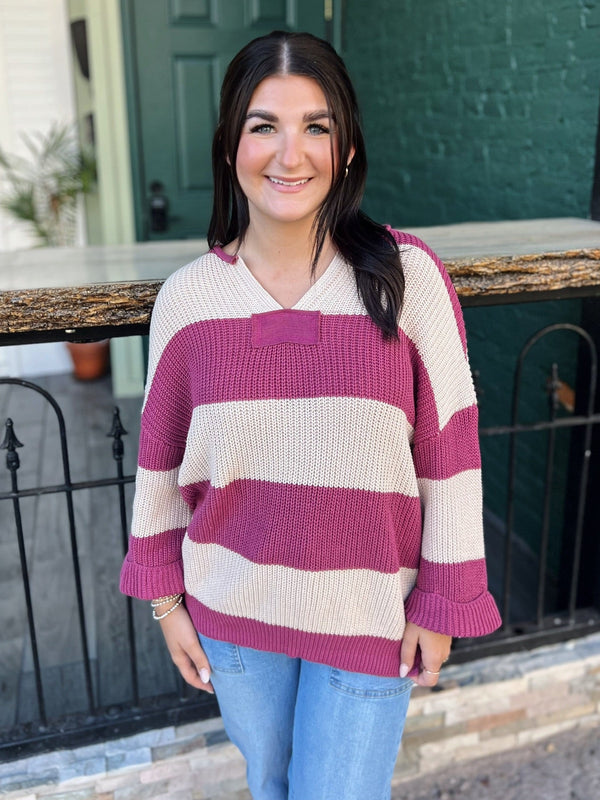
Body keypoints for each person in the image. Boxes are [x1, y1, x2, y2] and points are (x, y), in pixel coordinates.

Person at [120, 30, 502, 800]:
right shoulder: (189, 302)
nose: (290, 155)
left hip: (369, 615)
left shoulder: (406, 281)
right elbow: (160, 465)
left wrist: (444, 597)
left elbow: (451, 454)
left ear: (349, 148)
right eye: (264, 125)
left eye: (316, 127)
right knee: (271, 784)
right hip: (231, 613)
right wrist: (166, 602)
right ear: (230, 145)